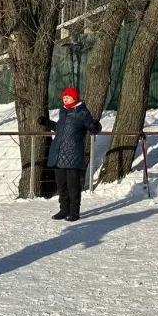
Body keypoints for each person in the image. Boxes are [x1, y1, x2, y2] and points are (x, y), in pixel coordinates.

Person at [42, 87, 101, 222]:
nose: (64, 98)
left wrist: (95, 126)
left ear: (75, 98)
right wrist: (47, 123)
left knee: (73, 185)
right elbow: (59, 128)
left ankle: (74, 212)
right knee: (61, 185)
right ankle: (64, 210)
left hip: (73, 154)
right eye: (63, 97)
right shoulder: (63, 112)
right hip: (58, 153)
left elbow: (92, 128)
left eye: (67, 96)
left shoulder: (83, 112)